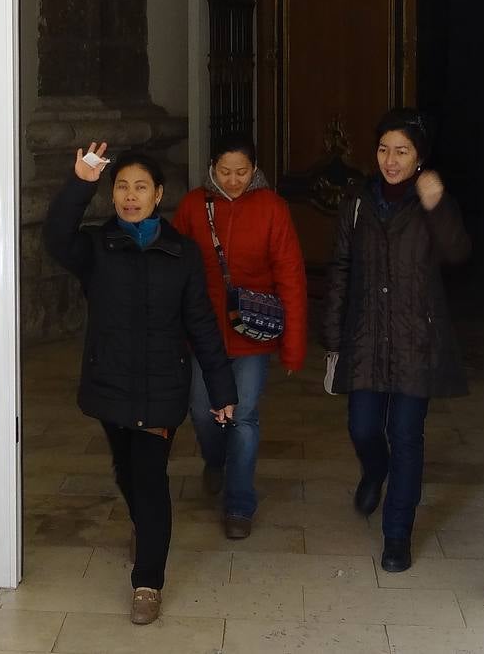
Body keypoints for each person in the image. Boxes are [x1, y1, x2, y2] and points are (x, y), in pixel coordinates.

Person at [43, 142, 237, 625]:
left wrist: (222, 390)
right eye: (122, 187)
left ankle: (147, 580)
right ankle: (145, 529)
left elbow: (202, 324)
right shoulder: (95, 247)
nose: (131, 196)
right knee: (125, 471)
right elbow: (54, 237)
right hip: (111, 382)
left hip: (162, 386)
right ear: (113, 195)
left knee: (150, 480)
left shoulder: (182, 253)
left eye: (141, 188)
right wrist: (80, 182)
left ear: (158, 195)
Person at [322, 108, 471, 573]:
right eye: (384, 150)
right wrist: (332, 334)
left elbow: (457, 251)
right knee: (363, 427)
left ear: (419, 158)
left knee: (406, 436)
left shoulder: (431, 200)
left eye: (401, 152)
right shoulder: (359, 202)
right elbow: (342, 268)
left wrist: (437, 204)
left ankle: (397, 535)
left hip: (415, 338)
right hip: (365, 333)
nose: (390, 160)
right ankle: (374, 468)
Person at [172, 133, 308, 540]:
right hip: (203, 332)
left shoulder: (272, 208)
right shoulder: (195, 206)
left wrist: (294, 346)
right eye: (225, 172)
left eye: (242, 173)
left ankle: (239, 505)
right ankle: (215, 461)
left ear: (255, 171)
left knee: (244, 418)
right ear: (212, 168)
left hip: (252, 332)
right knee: (201, 410)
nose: (233, 181)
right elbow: (174, 267)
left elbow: (291, 277)